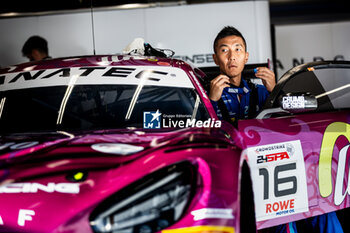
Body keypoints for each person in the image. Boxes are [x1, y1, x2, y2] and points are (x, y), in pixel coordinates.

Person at [209, 26, 276, 123]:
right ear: (215, 59)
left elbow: (285, 122)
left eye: (237, 49)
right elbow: (195, 132)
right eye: (224, 50)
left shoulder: (261, 92)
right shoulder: (205, 95)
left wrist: (274, 91)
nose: (232, 57)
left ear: (246, 57)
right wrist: (211, 102)